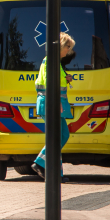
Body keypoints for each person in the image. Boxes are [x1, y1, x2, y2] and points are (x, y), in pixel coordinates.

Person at [32, 32, 75, 183]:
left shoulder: (54, 61)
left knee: (61, 136)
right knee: (58, 137)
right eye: (67, 47)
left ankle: (56, 174)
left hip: (52, 104)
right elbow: (51, 83)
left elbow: (56, 80)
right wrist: (56, 103)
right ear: (61, 45)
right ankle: (40, 162)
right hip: (51, 104)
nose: (68, 51)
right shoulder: (51, 61)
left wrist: (66, 78)